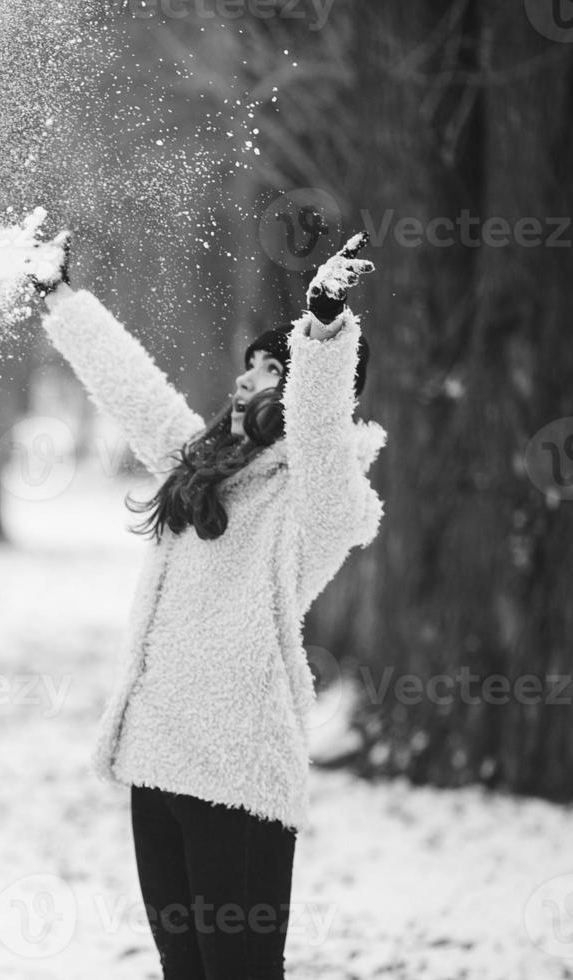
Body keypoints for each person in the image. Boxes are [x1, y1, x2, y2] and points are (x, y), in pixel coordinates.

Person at [31, 235, 384, 979]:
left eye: (271, 370)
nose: (248, 379)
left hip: (238, 776)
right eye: (250, 365)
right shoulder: (201, 469)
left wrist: (320, 334)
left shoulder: (318, 500)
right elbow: (134, 389)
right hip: (157, 764)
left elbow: (319, 434)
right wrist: (62, 300)